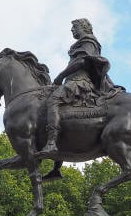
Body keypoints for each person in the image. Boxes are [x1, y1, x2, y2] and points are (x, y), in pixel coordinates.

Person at [39, 18, 121, 176]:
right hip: (74, 81)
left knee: (53, 101)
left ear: (84, 27)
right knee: (61, 110)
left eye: (74, 27)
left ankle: (51, 144)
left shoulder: (88, 41)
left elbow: (82, 62)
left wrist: (60, 76)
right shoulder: (83, 43)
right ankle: (56, 167)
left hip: (80, 82)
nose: (72, 30)